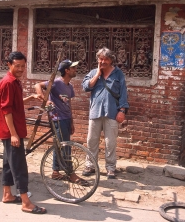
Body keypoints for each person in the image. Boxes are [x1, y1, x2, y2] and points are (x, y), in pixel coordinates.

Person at [0, 51, 46, 214]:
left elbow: (15, 103)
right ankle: (26, 202)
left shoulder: (14, 82)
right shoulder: (9, 82)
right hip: (11, 130)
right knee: (19, 166)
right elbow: (7, 110)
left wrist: (31, 97)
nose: (20, 69)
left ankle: (7, 194)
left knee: (8, 163)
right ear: (9, 65)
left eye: (23, 66)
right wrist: (13, 134)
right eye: (17, 66)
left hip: (11, 129)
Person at [35, 59, 88, 186]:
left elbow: (68, 103)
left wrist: (72, 121)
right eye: (73, 68)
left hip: (66, 118)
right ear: (67, 70)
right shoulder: (56, 83)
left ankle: (55, 172)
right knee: (65, 146)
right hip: (57, 118)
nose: (76, 70)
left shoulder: (69, 87)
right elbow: (38, 86)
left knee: (60, 144)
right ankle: (70, 173)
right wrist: (45, 100)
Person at [82, 47, 129, 179]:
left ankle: (110, 168)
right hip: (95, 112)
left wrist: (122, 110)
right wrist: (97, 74)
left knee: (110, 142)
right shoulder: (92, 73)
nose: (102, 62)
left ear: (111, 60)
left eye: (105, 59)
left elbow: (123, 93)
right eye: (100, 59)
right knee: (91, 141)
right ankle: (90, 165)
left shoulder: (118, 74)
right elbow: (86, 87)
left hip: (112, 112)